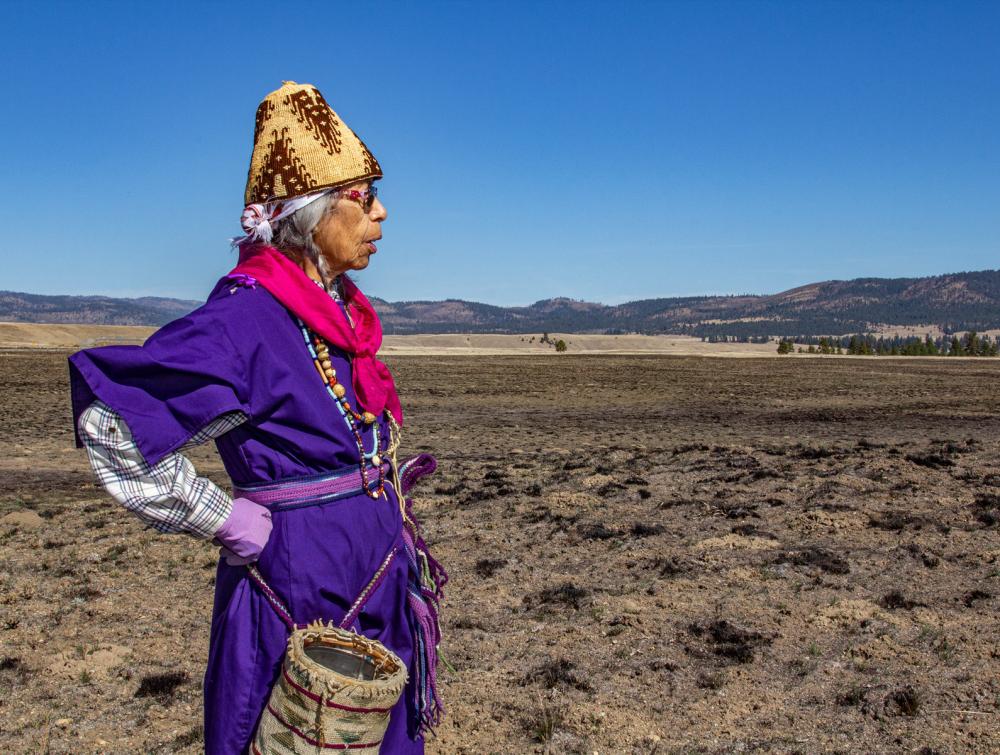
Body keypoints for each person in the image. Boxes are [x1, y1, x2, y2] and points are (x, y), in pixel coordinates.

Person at [68, 81, 445, 754]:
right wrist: (227, 520)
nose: (383, 214)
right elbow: (112, 424)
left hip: (375, 581)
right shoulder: (245, 318)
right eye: (364, 197)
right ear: (311, 213)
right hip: (295, 596)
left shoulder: (340, 318)